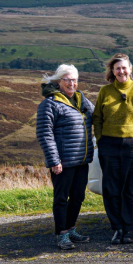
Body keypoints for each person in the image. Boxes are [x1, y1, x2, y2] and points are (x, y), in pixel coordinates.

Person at [92, 53, 133, 244]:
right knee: (111, 189)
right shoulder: (105, 91)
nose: (121, 71)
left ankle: (129, 230)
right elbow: (97, 118)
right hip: (109, 145)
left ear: (130, 69)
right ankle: (116, 228)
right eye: (117, 68)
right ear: (113, 71)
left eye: (124, 67)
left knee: (130, 189)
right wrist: (101, 139)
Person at [35, 64, 95, 250]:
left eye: (75, 80)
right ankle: (62, 235)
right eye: (67, 79)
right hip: (63, 162)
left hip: (81, 160)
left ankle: (71, 229)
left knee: (78, 197)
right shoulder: (50, 104)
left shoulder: (81, 101)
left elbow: (99, 116)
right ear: (59, 81)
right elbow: (45, 133)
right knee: (61, 198)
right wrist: (54, 160)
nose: (72, 83)